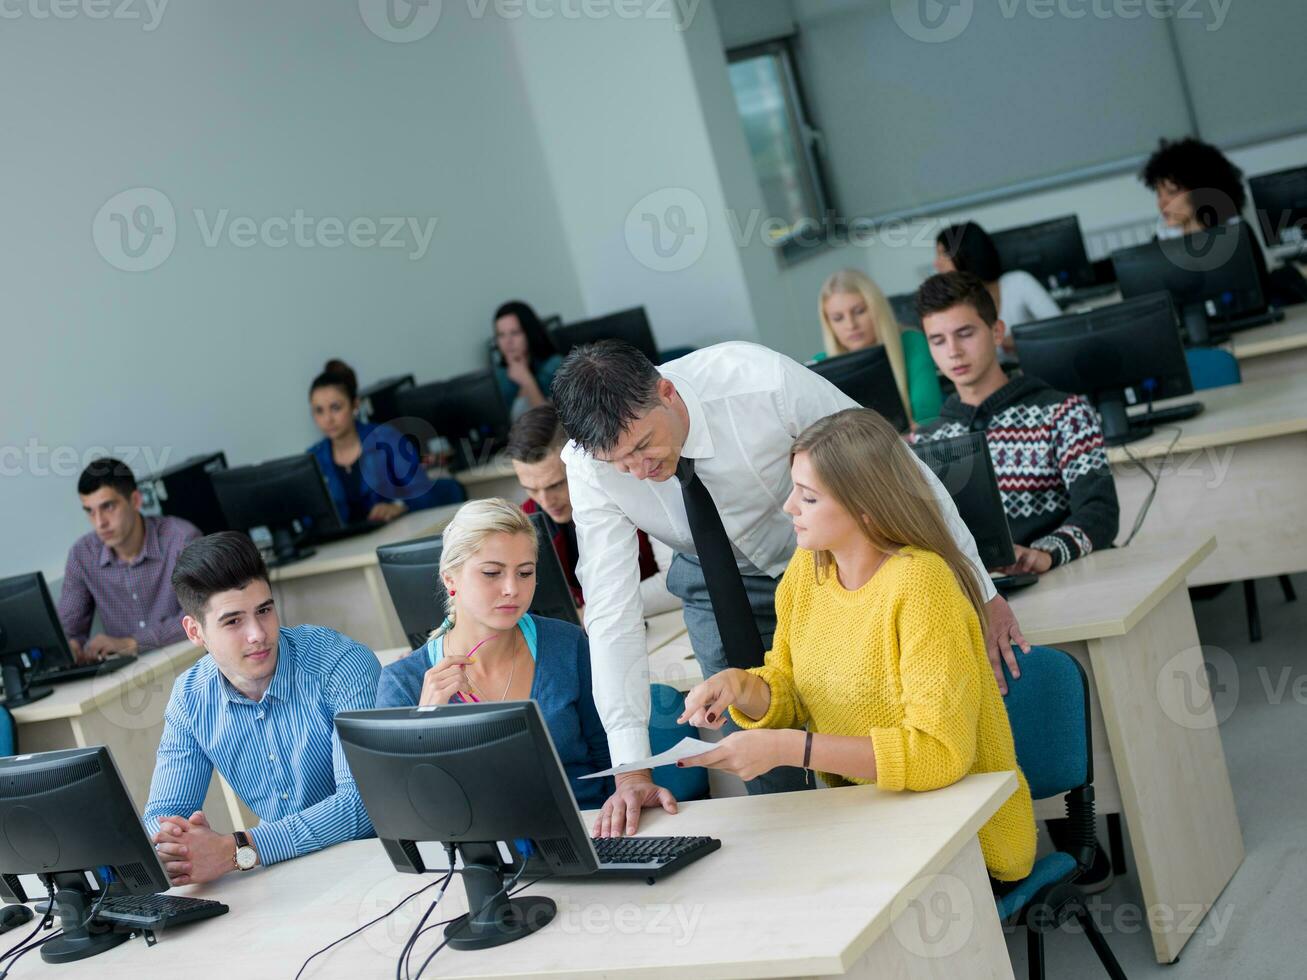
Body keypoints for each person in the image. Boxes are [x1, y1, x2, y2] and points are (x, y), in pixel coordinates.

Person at [550, 340, 1030, 837]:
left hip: (822, 558)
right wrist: (631, 768)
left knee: (877, 705)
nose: (638, 470)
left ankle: (925, 838)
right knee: (757, 749)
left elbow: (894, 470)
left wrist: (981, 592)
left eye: (643, 446)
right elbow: (612, 613)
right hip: (714, 578)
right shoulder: (588, 465)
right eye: (619, 462)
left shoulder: (760, 381)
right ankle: (827, 866)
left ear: (667, 394)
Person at [678, 408, 1036, 884]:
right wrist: (740, 686)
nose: (788, 508)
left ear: (865, 508)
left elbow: (938, 756)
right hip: (871, 820)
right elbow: (789, 689)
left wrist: (790, 748)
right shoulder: (807, 573)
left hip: (964, 833)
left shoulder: (921, 585)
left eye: (807, 497)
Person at [145, 532, 380, 885]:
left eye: (264, 610)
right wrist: (179, 844)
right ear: (195, 631)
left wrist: (237, 849)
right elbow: (162, 814)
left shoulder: (340, 664)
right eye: (233, 621)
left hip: (377, 863)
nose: (258, 633)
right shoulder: (190, 698)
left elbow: (361, 806)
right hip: (288, 880)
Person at [375, 499, 612, 806]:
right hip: (487, 850)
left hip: (594, 829)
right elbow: (409, 808)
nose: (512, 588)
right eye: (491, 573)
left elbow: (609, 757)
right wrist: (426, 728)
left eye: (525, 573)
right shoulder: (402, 683)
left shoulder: (567, 644)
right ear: (450, 579)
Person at [913, 272, 1120, 574]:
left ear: (997, 332)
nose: (953, 351)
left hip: (1066, 575)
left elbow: (1101, 512)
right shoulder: (926, 441)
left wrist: (1045, 554)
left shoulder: (1064, 413)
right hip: (985, 598)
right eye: (938, 340)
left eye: (965, 333)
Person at [505, 404, 679, 616]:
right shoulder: (526, 520)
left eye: (556, 485)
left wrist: (594, 612)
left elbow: (677, 583)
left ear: (581, 464)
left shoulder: (639, 489)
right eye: (531, 489)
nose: (545, 501)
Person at [57, 457, 200, 664]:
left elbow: (203, 613)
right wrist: (71, 647)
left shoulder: (181, 540)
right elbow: (69, 630)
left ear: (135, 501)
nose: (100, 523)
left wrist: (132, 642)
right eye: (90, 511)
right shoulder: (82, 555)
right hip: (127, 677)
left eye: (108, 507)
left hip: (189, 660)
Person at [307, 359, 465, 525]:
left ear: (355, 405)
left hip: (396, 533)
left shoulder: (386, 439)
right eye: (319, 411)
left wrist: (399, 506)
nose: (328, 419)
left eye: (336, 407)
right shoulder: (314, 458)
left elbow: (422, 492)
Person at [814, 268, 943, 425]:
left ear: (877, 308)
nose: (851, 325)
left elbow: (927, 417)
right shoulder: (818, 367)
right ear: (829, 324)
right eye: (838, 318)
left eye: (860, 311)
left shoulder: (911, 342)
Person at [934, 221, 1060, 352]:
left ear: (967, 255)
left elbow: (1062, 327)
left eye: (944, 254)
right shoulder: (955, 307)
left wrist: (1022, 340)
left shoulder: (1019, 282)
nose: (936, 264)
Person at [493, 301, 564, 420]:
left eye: (515, 333)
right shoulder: (499, 376)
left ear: (529, 333)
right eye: (501, 335)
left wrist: (527, 381)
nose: (508, 341)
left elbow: (553, 424)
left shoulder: (555, 366)